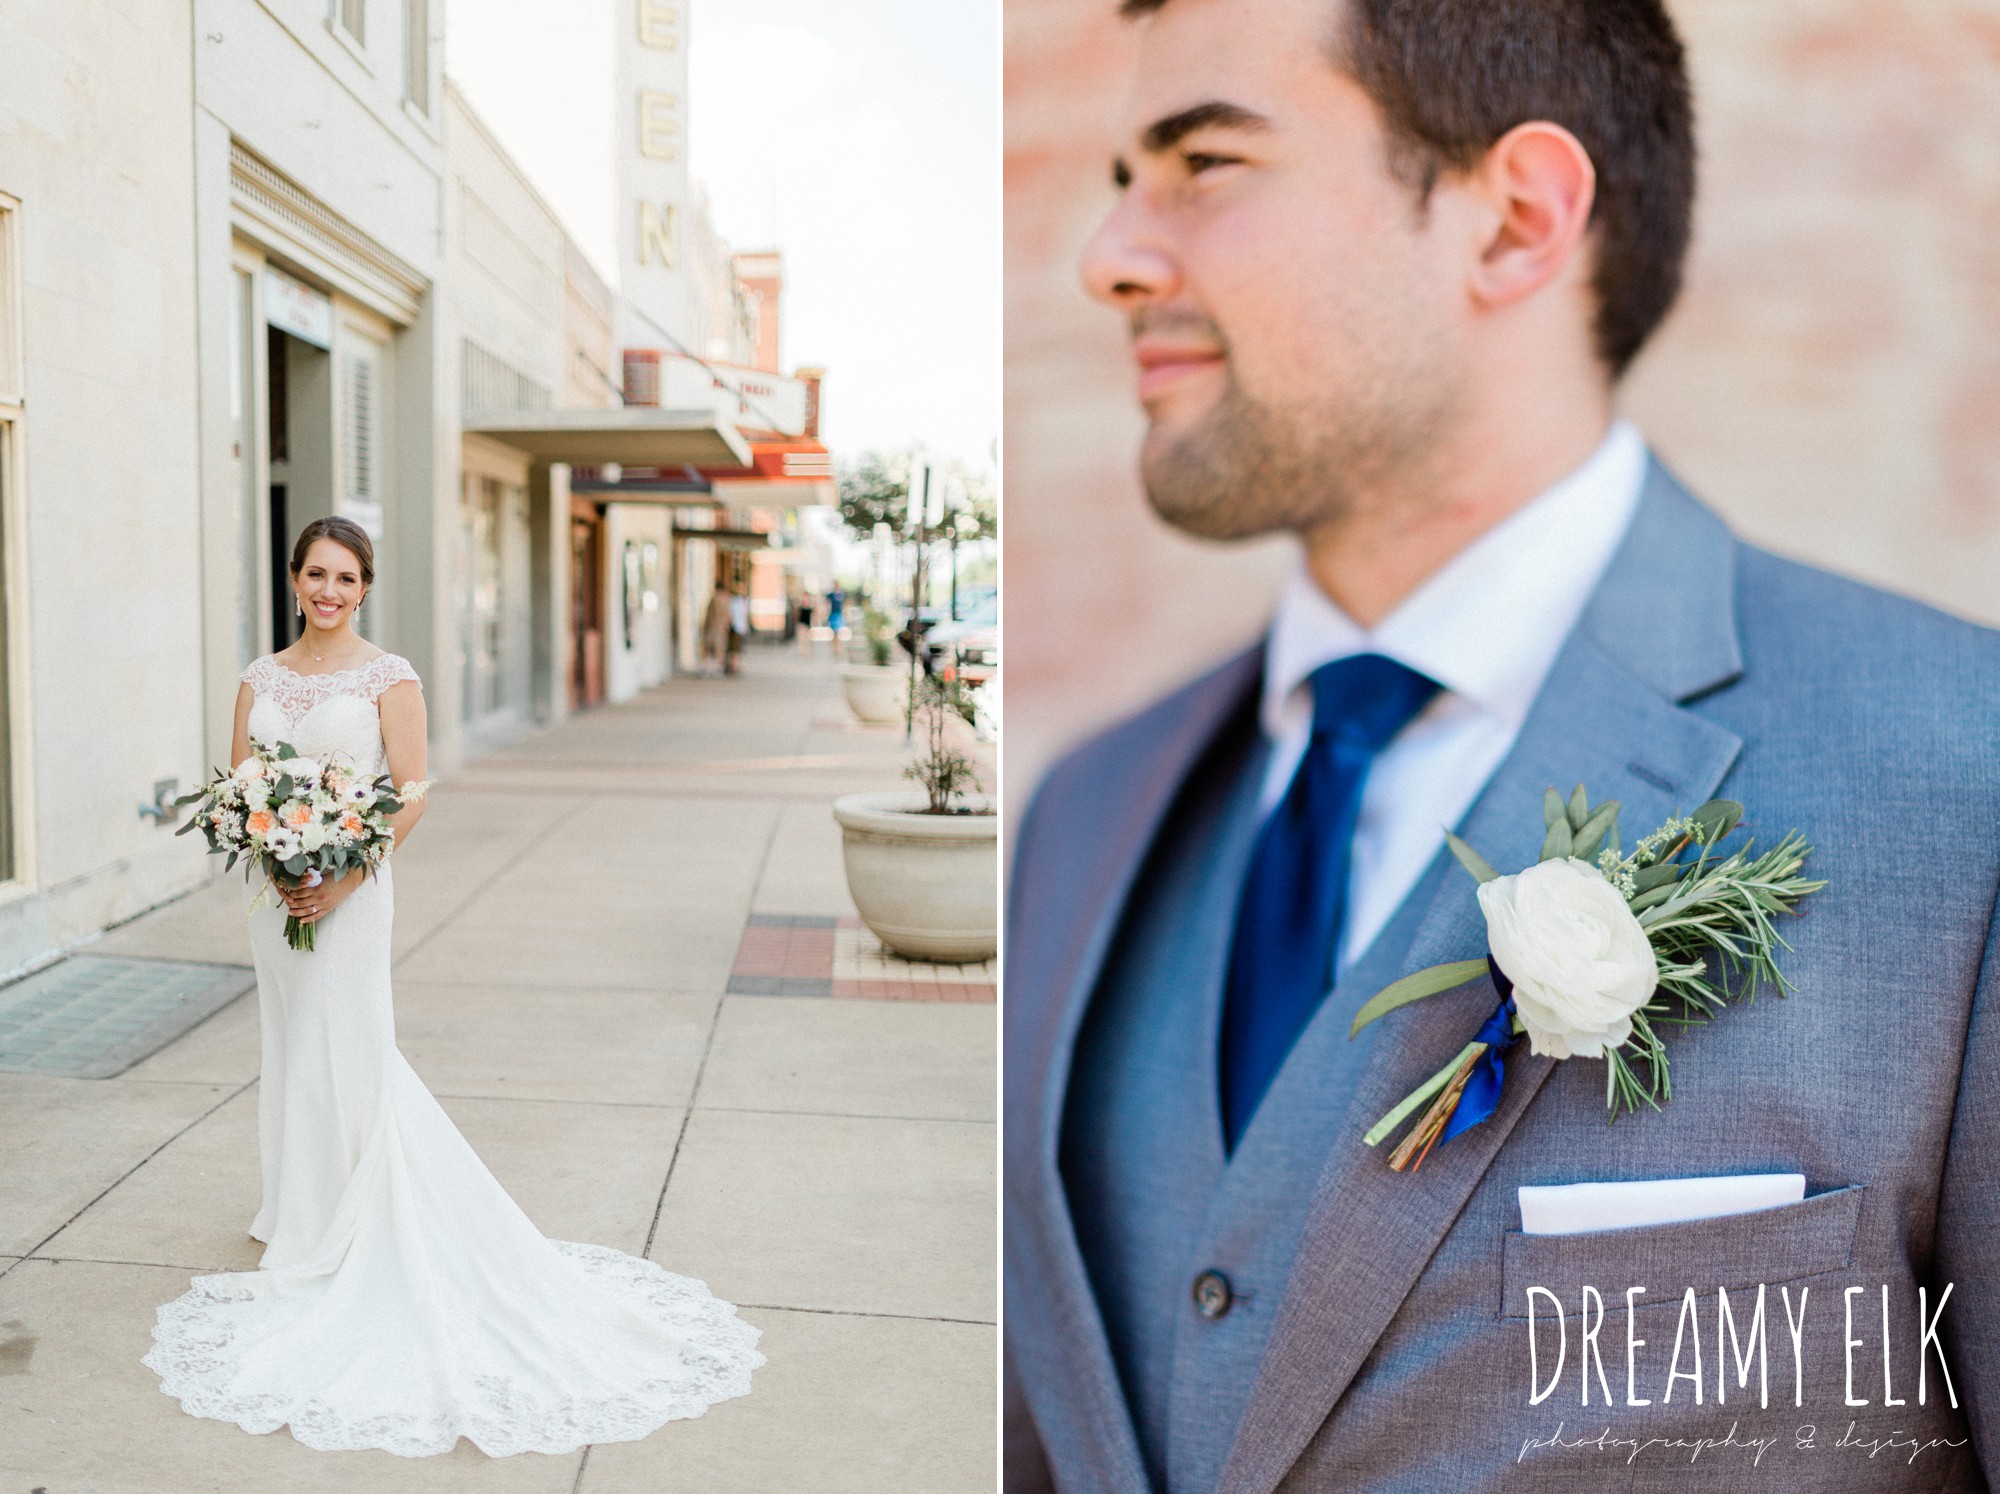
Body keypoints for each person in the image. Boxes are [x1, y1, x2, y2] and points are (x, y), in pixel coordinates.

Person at [1004, 2, 2000, 1490]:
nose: (1115, 257)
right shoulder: (1080, 819)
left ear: (1514, 219)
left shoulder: (1964, 780)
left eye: (1204, 163)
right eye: (1119, 183)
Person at [142, 517, 762, 1456]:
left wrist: (342, 875)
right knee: (290, 1044)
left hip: (352, 890)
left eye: (346, 578)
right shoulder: (258, 678)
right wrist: (276, 862)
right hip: (279, 897)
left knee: (349, 1043)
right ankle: (299, 1209)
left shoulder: (388, 676)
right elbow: (242, 784)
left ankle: (350, 1219)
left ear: (366, 586)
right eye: (316, 574)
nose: (329, 591)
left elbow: (412, 788)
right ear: (294, 577)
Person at [701, 577, 732, 678]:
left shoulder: (714, 599)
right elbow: (728, 616)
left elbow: (709, 615)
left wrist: (705, 626)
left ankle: (707, 668)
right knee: (720, 649)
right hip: (721, 628)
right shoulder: (727, 599)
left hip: (712, 627)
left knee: (708, 648)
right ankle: (719, 669)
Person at [726, 586, 750, 675]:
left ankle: (735, 666)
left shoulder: (736, 602)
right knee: (736, 649)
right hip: (738, 627)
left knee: (735, 649)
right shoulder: (740, 602)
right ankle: (735, 666)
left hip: (737, 627)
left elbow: (730, 615)